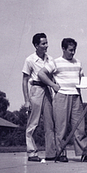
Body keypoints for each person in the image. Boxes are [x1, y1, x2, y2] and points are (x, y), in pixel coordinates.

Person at [38, 38, 87, 162]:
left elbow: (81, 78)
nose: (72, 53)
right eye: (70, 50)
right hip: (62, 96)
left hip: (76, 96)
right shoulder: (56, 62)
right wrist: (53, 85)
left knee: (80, 126)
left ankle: (84, 153)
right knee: (61, 127)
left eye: (74, 50)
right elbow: (41, 73)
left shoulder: (78, 63)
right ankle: (60, 153)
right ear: (64, 49)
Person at [22, 33, 56, 162]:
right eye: (43, 43)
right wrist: (26, 100)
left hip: (47, 90)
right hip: (36, 90)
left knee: (50, 123)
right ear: (36, 45)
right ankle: (31, 153)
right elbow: (24, 80)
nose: (46, 46)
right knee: (33, 123)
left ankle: (51, 153)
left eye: (47, 43)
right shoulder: (30, 60)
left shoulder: (50, 59)